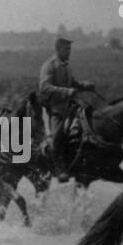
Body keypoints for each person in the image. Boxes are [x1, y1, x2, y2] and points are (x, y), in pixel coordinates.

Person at [37, 36, 96, 182]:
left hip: (71, 106)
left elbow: (72, 83)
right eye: (66, 49)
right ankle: (59, 169)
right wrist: (66, 91)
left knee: (88, 125)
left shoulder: (66, 65)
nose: (69, 52)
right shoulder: (49, 65)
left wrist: (84, 85)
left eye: (70, 49)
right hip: (55, 108)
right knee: (57, 136)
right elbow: (44, 87)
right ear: (58, 49)